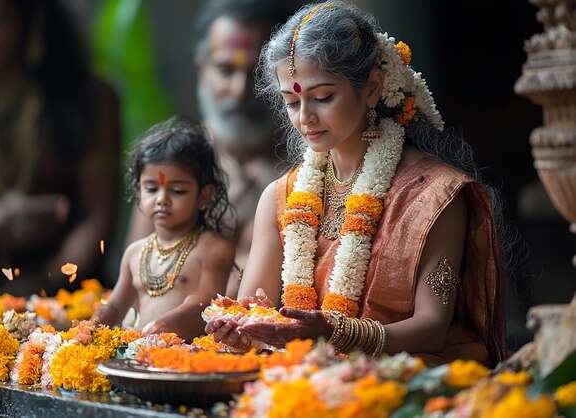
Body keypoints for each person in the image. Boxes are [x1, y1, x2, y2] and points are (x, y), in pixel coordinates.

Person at [206, 1, 508, 367]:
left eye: (322, 97)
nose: (305, 118)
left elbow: (432, 327)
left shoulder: (434, 196)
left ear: (372, 89)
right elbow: (254, 312)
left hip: (401, 388)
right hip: (296, 385)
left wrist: (337, 333)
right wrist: (240, 330)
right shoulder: (280, 198)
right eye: (291, 101)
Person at [0, 0, 121, 304]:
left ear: (31, 21)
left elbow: (98, 218)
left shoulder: (90, 100)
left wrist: (43, 285)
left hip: (65, 297)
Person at [126, 0, 298, 298]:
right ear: (201, 68)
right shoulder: (173, 160)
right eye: (225, 69)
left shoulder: (312, 165)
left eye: (259, 73)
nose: (240, 89)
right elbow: (135, 286)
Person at [94, 118, 235, 341]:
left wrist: (159, 327)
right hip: (139, 352)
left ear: (203, 196)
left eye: (177, 191)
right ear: (138, 191)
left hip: (189, 358)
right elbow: (115, 308)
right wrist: (86, 332)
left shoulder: (213, 249)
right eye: (151, 189)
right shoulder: (135, 253)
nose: (162, 200)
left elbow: (206, 305)